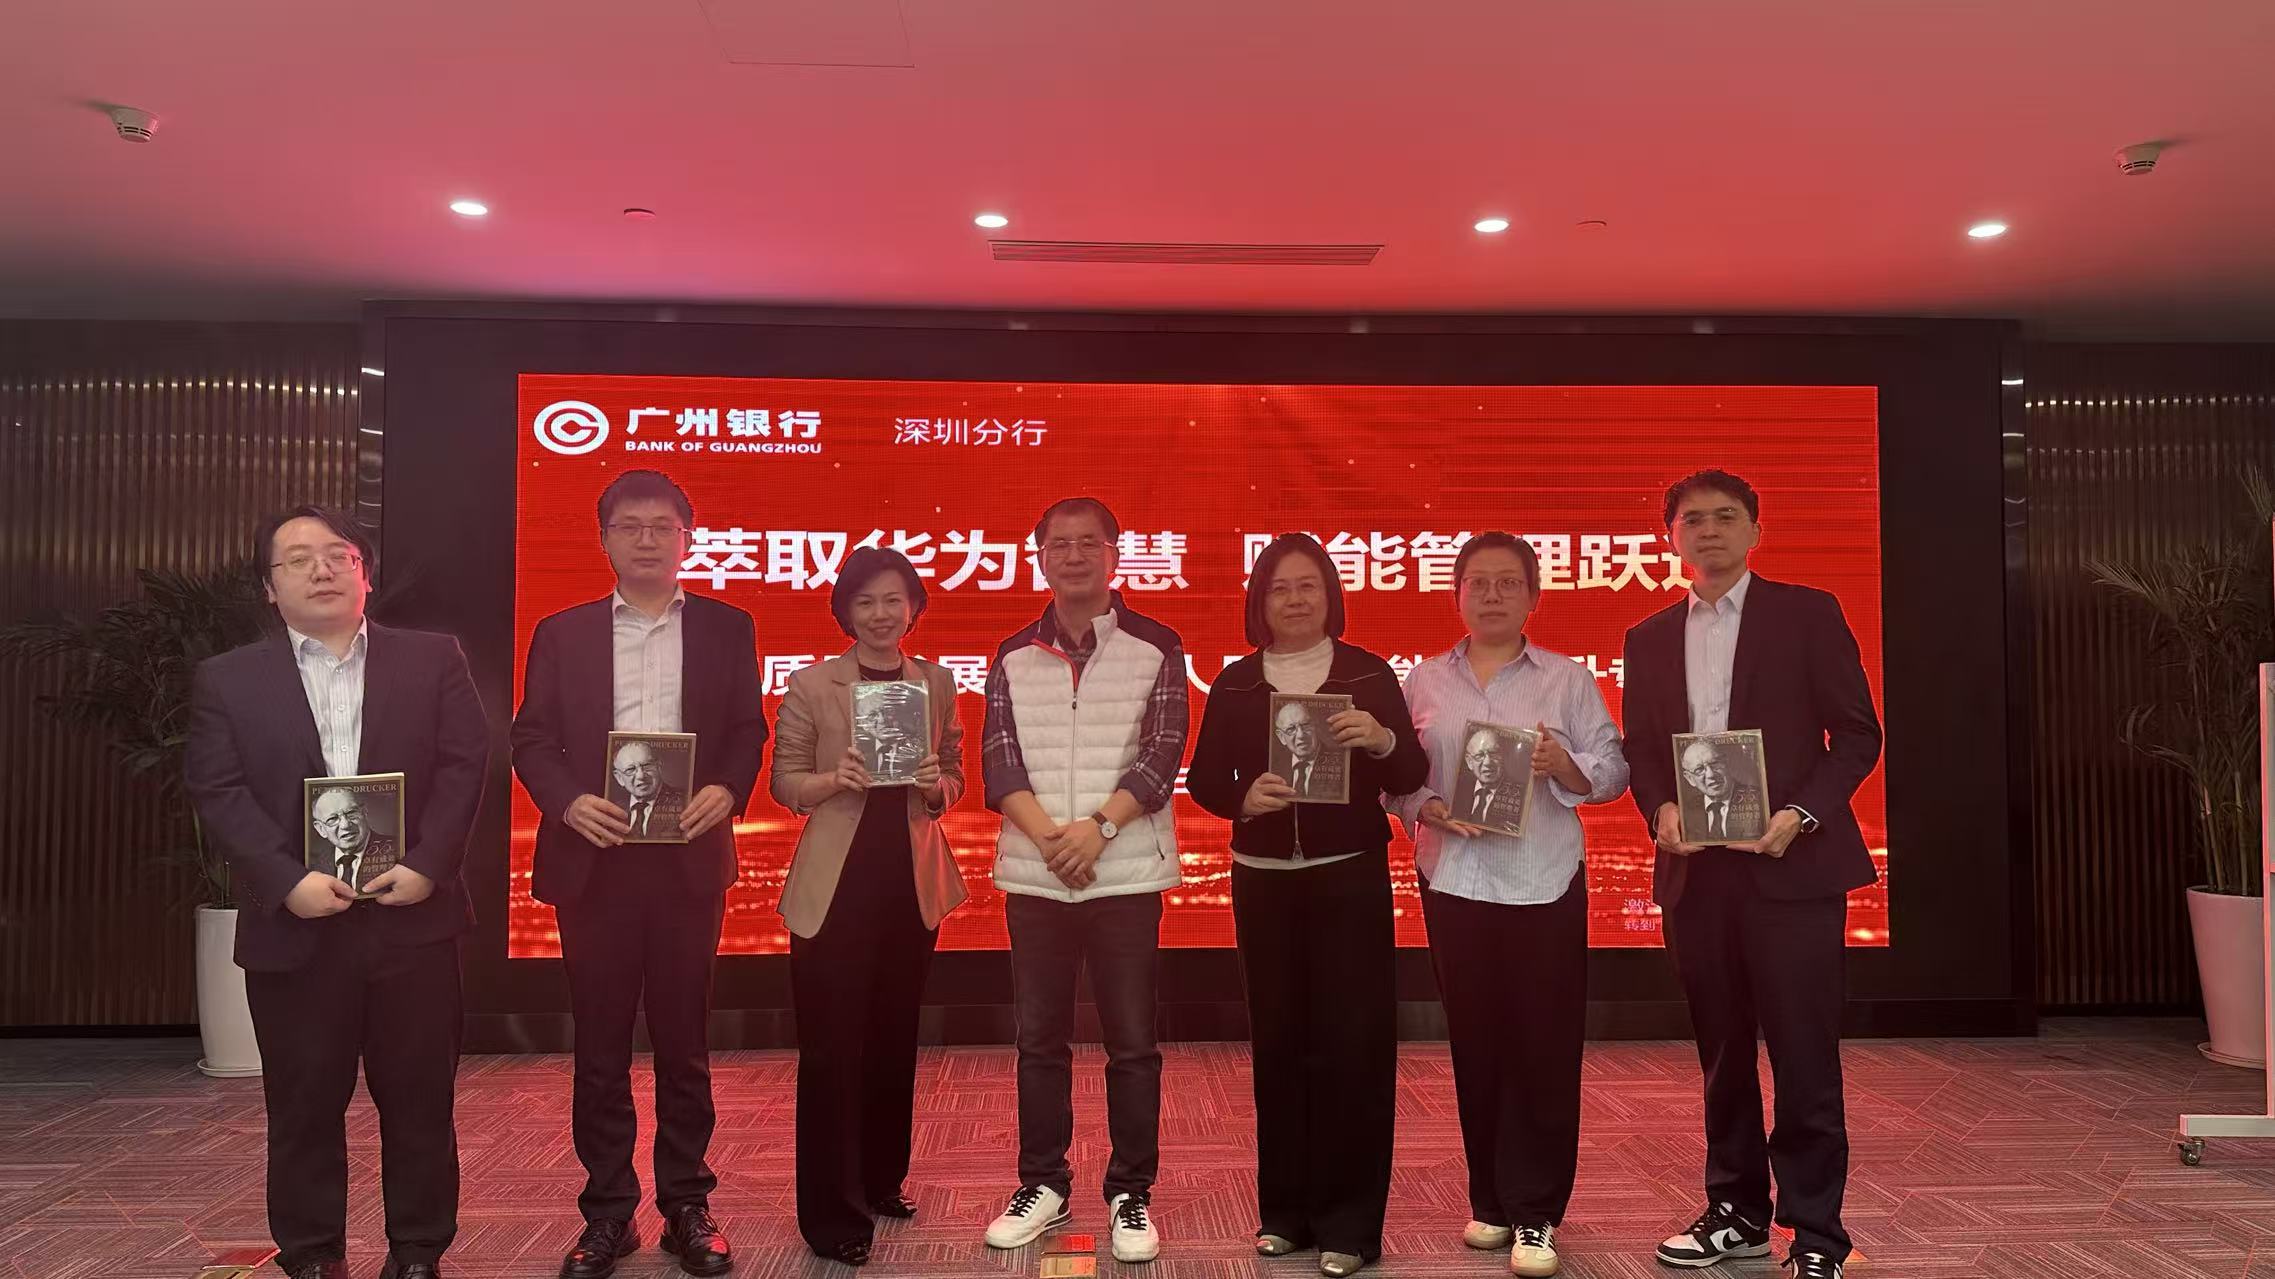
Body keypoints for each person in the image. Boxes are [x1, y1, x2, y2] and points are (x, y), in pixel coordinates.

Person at [185, 505, 489, 1279]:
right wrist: (285, 879)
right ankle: (313, 1256)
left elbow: (465, 762)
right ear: (269, 586)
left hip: (412, 920)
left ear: (364, 573)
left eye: (337, 554)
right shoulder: (228, 679)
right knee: (302, 1106)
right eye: (296, 558)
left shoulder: (432, 658)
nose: (320, 568)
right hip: (295, 929)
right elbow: (218, 788)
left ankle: (417, 1252)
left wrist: (429, 863)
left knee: (420, 1102)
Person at [1620, 470, 1881, 1279]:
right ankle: (1734, 1211)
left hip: (1789, 869)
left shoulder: (1806, 613)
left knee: (1804, 1054)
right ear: (1669, 537)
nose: (1708, 530)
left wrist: (1799, 814)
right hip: (1697, 877)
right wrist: (1659, 809)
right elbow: (1641, 749)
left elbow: (1857, 734)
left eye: (1725, 516)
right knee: (1721, 1054)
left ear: (1754, 530)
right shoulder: (1648, 636)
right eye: (1691, 519)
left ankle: (1816, 1233)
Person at [510, 470, 767, 1279]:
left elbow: (746, 730)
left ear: (688, 538)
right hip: (597, 860)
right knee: (600, 1044)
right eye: (630, 525)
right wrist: (567, 802)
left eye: (663, 525)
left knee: (685, 1042)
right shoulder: (563, 631)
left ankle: (687, 1203)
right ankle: (609, 1211)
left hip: (687, 860)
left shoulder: (727, 626)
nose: (647, 538)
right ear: (604, 539)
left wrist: (727, 789)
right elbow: (531, 738)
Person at [1387, 531, 1629, 1279]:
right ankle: (1490, 1198)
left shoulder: (1567, 678)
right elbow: (1395, 777)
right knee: (1476, 1044)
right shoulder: (1423, 680)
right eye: (1478, 583)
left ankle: (1536, 1211)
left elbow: (1614, 768)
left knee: (1543, 1048)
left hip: (1541, 881)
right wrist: (1426, 808)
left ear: (1533, 596)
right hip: (1454, 880)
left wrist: (1566, 764)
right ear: (1455, 593)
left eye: (1507, 583)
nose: (1491, 595)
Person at [1184, 534, 1428, 1278]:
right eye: (1279, 588)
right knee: (1280, 1043)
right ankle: (1284, 1213)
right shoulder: (1234, 682)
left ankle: (1351, 1224)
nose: (1293, 600)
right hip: (1262, 879)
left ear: (1330, 596)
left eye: (1307, 586)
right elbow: (1204, 779)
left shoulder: (1367, 673)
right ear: (1258, 601)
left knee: (1354, 1046)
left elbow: (1409, 770)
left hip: (1347, 876)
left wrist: (1380, 737)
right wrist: (1242, 797)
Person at [979, 497, 1187, 1264]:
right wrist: (1053, 841)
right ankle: (1043, 1182)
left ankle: (1130, 1190)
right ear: (1039, 557)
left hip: (1123, 874)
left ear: (1113, 553)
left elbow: (1162, 754)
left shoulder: (1157, 645)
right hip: (1037, 877)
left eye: (1087, 543)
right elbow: (999, 762)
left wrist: (1094, 830)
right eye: (1057, 544)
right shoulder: (1012, 653)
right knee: (1039, 1041)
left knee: (1131, 1044)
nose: (1072, 556)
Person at [770, 547, 970, 1267]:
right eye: (865, 601)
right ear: (845, 611)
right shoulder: (812, 684)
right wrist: (833, 779)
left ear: (913, 608)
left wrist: (934, 785)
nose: (880, 614)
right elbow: (783, 783)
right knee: (832, 1050)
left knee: (892, 1039)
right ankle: (833, 1214)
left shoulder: (937, 682)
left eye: (893, 600)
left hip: (909, 887)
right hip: (835, 890)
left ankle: (882, 1179)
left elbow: (955, 775)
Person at [309, 786, 397, 892]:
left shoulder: (398, 849)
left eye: (351, 813)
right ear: (321, 829)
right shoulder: (313, 867)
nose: (345, 825)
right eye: (332, 819)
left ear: (365, 812)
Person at [1678, 738, 1765, 843]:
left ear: (1726, 762)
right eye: (1699, 770)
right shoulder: (1686, 811)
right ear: (1690, 778)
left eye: (1715, 764)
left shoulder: (1760, 800)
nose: (1711, 775)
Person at [1451, 727, 1526, 831]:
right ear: (1469, 762)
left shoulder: (1520, 794)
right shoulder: (1456, 791)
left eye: (1494, 754)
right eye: (1479, 756)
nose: (1487, 762)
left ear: (1504, 756)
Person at [608, 739, 685, 839]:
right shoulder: (613, 809)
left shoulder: (684, 802)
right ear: (619, 778)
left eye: (647, 765)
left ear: (659, 766)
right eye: (630, 769)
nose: (641, 776)